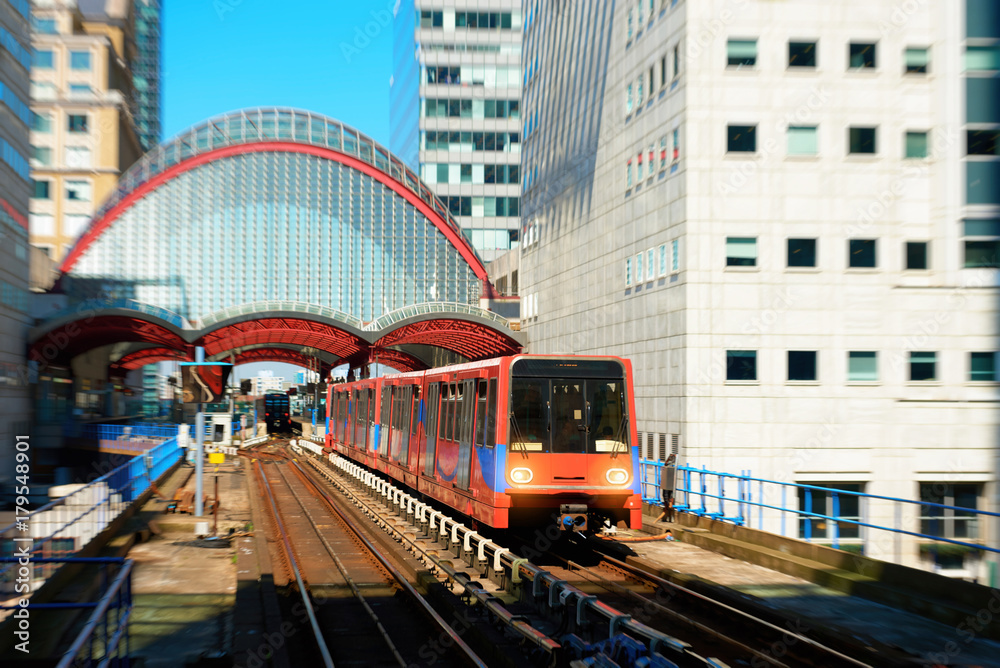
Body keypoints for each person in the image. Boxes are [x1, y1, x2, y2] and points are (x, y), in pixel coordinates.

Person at [653, 454, 677, 524]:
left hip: (667, 491)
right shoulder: (669, 500)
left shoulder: (667, 503)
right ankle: (669, 519)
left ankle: (668, 519)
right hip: (668, 490)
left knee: (667, 495)